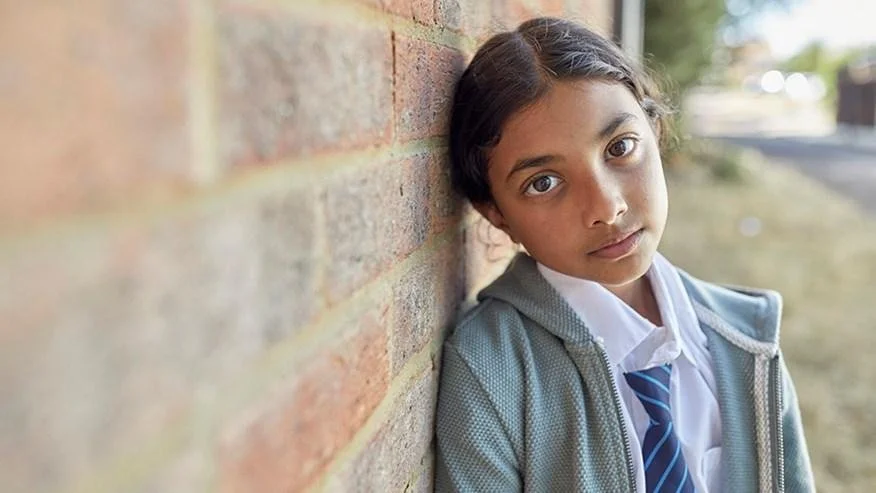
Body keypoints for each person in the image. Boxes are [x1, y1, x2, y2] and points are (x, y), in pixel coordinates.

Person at [434, 16, 815, 493]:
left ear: (655, 133)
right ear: (497, 215)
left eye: (620, 147)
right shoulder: (491, 371)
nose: (606, 207)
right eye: (544, 182)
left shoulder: (747, 341)